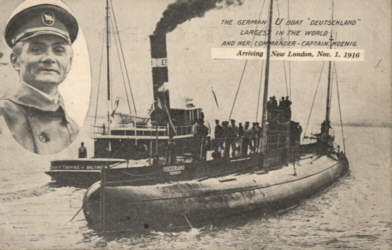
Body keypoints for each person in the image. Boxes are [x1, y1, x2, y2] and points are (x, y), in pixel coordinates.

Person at [0, 3, 80, 154]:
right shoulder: (4, 115)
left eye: (58, 50)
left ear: (69, 63)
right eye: (37, 50)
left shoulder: (73, 128)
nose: (50, 58)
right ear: (15, 61)